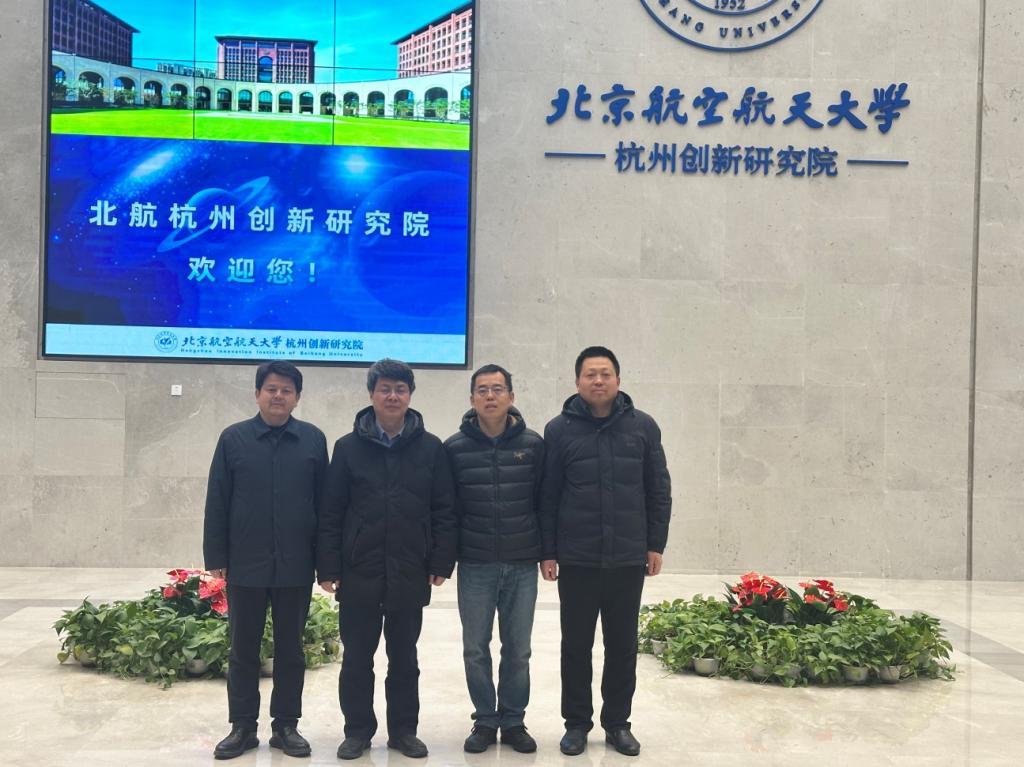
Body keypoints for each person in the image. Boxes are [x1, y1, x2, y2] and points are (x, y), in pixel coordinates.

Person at [316, 358, 457, 760]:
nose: (392, 396)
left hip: (410, 568)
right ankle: (357, 732)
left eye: (400, 389)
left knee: (405, 659)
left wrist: (440, 562)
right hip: (358, 570)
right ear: (371, 394)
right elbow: (331, 512)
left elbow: (445, 509)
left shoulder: (431, 448)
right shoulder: (347, 448)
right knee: (357, 659)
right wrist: (328, 567)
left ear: (410, 395)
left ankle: (404, 731)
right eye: (385, 389)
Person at [539, 346, 672, 757]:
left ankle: (617, 724)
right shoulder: (558, 430)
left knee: (622, 646)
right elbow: (548, 495)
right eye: (590, 374)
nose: (598, 380)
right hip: (577, 557)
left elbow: (658, 489)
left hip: (627, 557)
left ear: (618, 379)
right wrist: (548, 551)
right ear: (577, 381)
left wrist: (655, 544)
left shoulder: (643, 427)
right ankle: (576, 724)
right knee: (575, 646)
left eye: (605, 373)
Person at [203, 361, 328, 760]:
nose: (278, 396)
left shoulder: (312, 440)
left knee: (291, 650)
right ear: (258, 394)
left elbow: (325, 506)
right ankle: (242, 727)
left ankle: (286, 726)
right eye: (271, 388)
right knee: (243, 649)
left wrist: (326, 563)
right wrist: (216, 556)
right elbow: (218, 499)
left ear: (297, 397)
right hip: (246, 562)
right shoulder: (234, 439)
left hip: (295, 563)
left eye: (286, 390)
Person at [443, 364, 545, 754]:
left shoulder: (533, 445)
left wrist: (547, 553)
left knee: (518, 648)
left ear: (511, 397)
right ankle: (485, 720)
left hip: (522, 562)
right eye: (482, 389)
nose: (490, 396)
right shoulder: (454, 448)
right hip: (475, 563)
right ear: (472, 399)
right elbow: (447, 509)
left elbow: (545, 502)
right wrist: (444, 560)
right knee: (475, 647)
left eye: (498, 389)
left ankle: (514, 720)